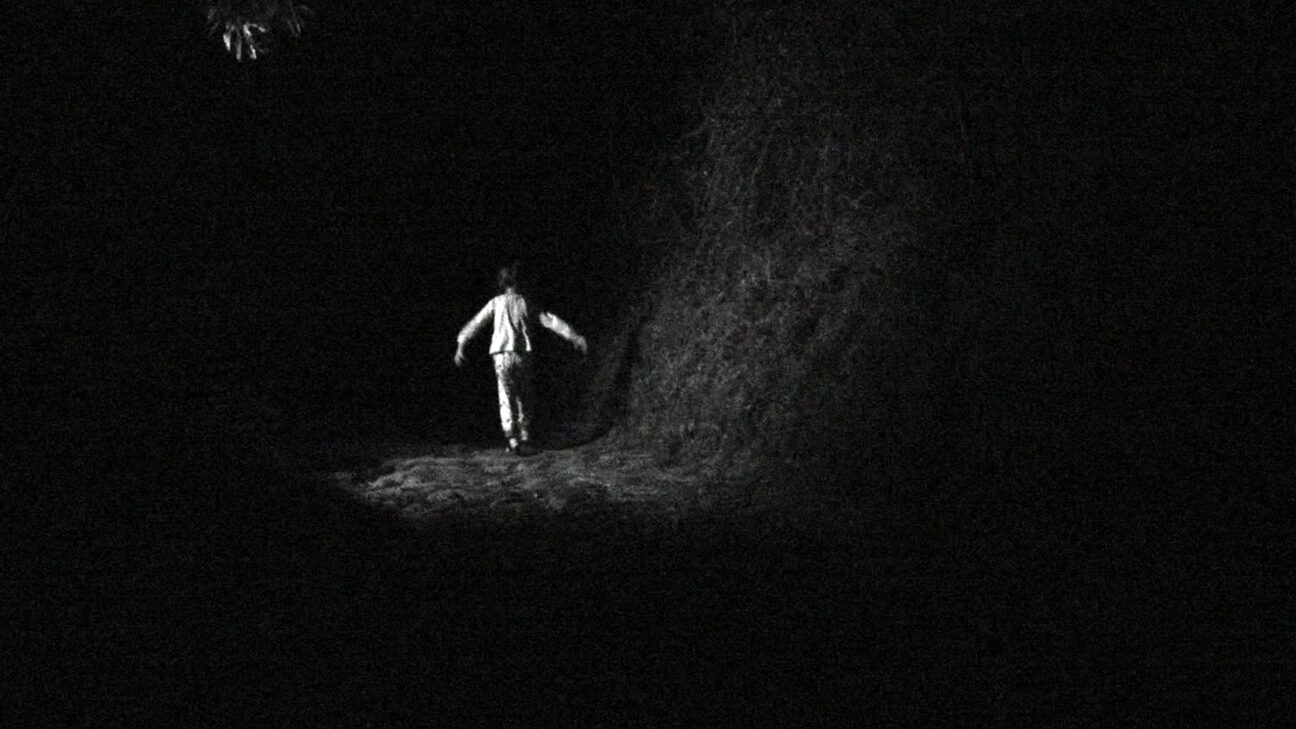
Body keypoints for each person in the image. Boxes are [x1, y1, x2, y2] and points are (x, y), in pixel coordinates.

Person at [454, 262, 588, 455]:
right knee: (524, 396)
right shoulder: (525, 302)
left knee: (506, 396)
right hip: (522, 354)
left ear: (502, 284)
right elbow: (550, 320)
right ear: (518, 282)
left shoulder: (496, 303)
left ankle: (513, 440)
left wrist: (461, 343)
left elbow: (477, 322)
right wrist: (574, 336)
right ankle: (524, 437)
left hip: (502, 355)